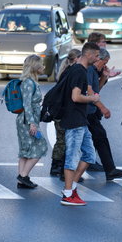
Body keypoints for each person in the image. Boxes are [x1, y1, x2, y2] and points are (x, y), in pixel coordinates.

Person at [59, 43, 100, 206]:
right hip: (74, 120)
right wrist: (92, 98)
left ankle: (72, 187)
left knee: (90, 155)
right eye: (96, 56)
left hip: (81, 120)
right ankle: (68, 194)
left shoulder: (81, 71)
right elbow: (75, 97)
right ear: (88, 55)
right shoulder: (78, 72)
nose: (97, 59)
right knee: (72, 157)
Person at [86, 48, 122, 181]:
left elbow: (97, 89)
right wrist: (103, 108)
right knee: (93, 138)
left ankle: (110, 169)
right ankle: (109, 169)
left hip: (89, 111)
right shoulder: (89, 70)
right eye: (104, 62)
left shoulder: (94, 71)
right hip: (85, 111)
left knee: (98, 137)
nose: (105, 65)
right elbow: (90, 92)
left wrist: (104, 76)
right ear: (97, 58)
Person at [16, 55, 48, 189]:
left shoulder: (30, 81)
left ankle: (22, 179)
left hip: (26, 119)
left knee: (26, 150)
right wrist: (32, 123)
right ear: (35, 66)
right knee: (41, 147)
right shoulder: (29, 82)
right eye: (41, 64)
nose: (43, 67)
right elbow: (27, 104)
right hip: (27, 121)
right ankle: (23, 176)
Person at [50, 49, 82, 178]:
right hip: (62, 112)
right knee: (63, 140)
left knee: (62, 140)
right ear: (75, 59)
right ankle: (58, 166)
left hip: (60, 112)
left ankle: (57, 166)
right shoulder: (70, 73)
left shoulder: (65, 72)